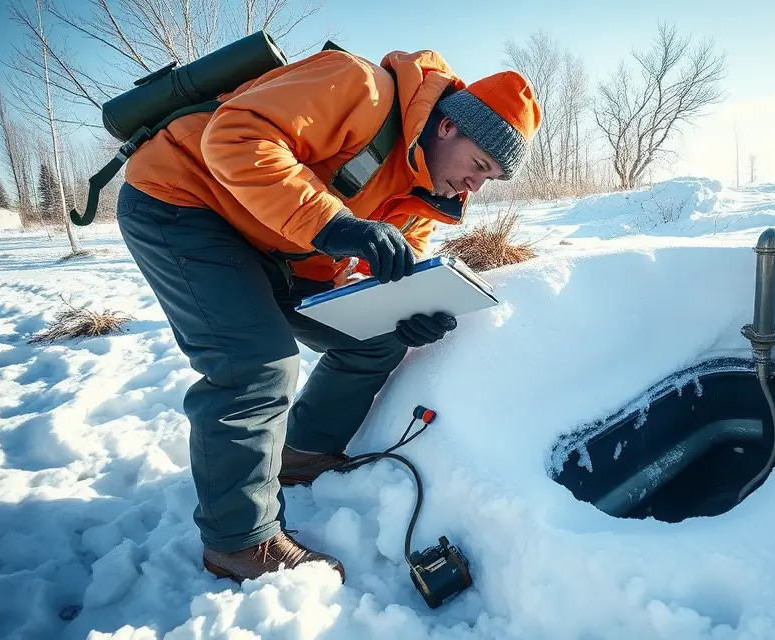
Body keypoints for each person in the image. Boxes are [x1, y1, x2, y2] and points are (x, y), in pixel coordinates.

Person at [115, 46, 540, 583]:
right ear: (449, 125)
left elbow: (373, 273)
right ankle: (240, 541)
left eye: (490, 180)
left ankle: (299, 451)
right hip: (183, 200)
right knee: (254, 362)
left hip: (279, 242)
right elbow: (232, 137)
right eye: (479, 166)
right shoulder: (357, 87)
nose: (475, 187)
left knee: (376, 341)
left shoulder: (424, 194)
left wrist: (404, 313)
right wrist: (335, 224)